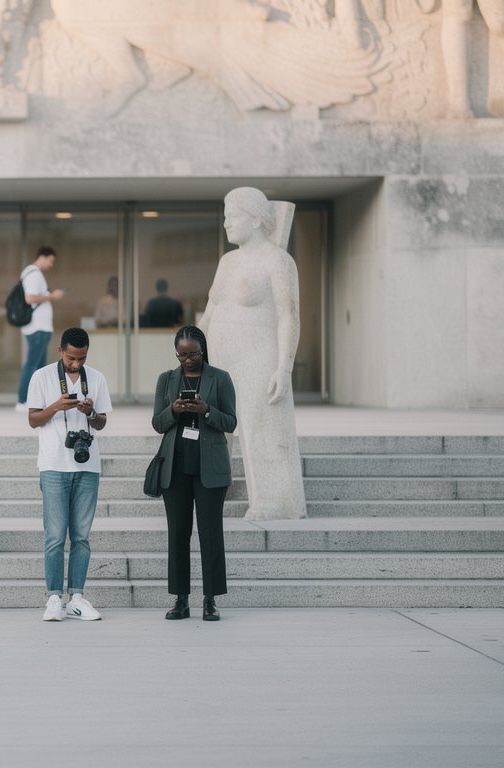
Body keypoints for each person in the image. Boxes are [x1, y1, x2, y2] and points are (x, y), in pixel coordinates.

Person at [201, 187, 307, 520]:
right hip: (219, 357)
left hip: (258, 355)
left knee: (259, 423)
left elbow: (289, 315)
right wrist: (190, 346)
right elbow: (211, 311)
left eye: (233, 217)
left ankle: (272, 497)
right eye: (225, 217)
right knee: (214, 424)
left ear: (256, 220)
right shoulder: (227, 261)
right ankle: (214, 486)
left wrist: (284, 367)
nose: (226, 223)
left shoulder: (278, 261)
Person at [26, 327, 112, 622]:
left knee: (81, 537)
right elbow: (33, 420)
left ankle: (76, 598)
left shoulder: (96, 378)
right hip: (53, 465)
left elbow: (101, 423)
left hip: (87, 466)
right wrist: (56, 407)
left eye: (82, 358)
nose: (76, 364)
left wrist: (90, 413)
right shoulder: (41, 377)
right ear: (60, 351)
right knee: (54, 536)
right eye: (71, 358)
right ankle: (53, 597)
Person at [152, 326, 237, 622]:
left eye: (193, 354)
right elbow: (157, 423)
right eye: (182, 355)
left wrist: (207, 410)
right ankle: (181, 599)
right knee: (178, 534)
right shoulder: (166, 379)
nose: (187, 360)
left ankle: (210, 600)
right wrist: (174, 410)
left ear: (203, 351)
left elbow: (231, 422)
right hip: (175, 468)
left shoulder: (221, 378)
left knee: (211, 535)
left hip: (210, 468)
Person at [16, 246, 63, 412]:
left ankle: (38, 401)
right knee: (32, 364)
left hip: (39, 327)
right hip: (38, 327)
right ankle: (22, 401)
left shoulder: (31, 273)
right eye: (51, 260)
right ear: (42, 257)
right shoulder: (34, 274)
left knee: (41, 367)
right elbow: (30, 298)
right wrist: (52, 296)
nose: (51, 265)